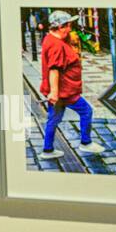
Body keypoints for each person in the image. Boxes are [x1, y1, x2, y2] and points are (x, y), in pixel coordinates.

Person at [36, 10, 104, 161]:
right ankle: (86, 142)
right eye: (68, 25)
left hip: (60, 91)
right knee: (86, 111)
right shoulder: (56, 45)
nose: (70, 28)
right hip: (65, 92)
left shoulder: (50, 39)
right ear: (61, 27)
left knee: (54, 119)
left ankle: (47, 150)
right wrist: (54, 93)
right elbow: (54, 70)